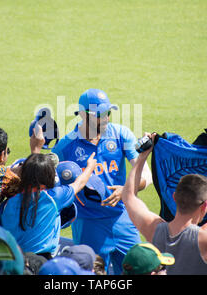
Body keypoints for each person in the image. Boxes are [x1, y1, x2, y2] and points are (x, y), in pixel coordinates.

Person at [122, 132, 207, 275]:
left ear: (174, 197)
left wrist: (143, 156)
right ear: (205, 205)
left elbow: (129, 196)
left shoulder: (154, 230)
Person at [51, 88, 153, 274]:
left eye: (108, 112)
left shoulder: (120, 135)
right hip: (88, 224)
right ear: (82, 115)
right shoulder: (65, 147)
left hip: (124, 219)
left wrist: (126, 190)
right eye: (99, 115)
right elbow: (50, 185)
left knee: (140, 272)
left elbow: (147, 174)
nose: (106, 118)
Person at [0, 152, 97, 258]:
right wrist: (90, 167)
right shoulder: (53, 197)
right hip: (41, 261)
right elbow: (79, 183)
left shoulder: (7, 203)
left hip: (14, 261)